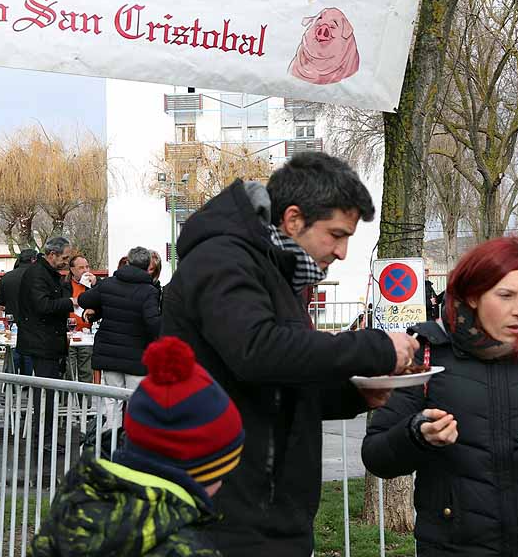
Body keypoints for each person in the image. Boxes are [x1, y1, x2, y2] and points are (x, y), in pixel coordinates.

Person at [161, 152, 418, 555]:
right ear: (294, 219)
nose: (343, 252)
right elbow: (257, 350)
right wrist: (374, 347)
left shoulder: (279, 271)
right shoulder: (222, 259)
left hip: (269, 513)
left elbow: (276, 381)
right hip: (222, 517)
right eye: (336, 235)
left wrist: (352, 394)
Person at [362, 236, 518, 557]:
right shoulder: (428, 352)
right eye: (505, 296)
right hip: (455, 546)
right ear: (473, 295)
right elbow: (377, 456)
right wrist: (418, 435)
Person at [31, 336, 243, 557]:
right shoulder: (187, 546)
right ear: (200, 470)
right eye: (223, 470)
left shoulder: (75, 503)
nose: (222, 483)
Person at [78, 246, 161, 428]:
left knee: (112, 403)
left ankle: (111, 443)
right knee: (136, 404)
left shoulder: (108, 284)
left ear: (128, 262)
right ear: (147, 266)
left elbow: (84, 301)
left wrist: (98, 306)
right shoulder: (149, 291)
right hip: (137, 356)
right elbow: (153, 323)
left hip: (109, 353)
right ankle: (132, 445)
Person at [18, 236, 78, 381]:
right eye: (64, 258)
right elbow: (43, 305)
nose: (66, 263)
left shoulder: (47, 273)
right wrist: (71, 302)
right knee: (46, 385)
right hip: (42, 340)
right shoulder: (38, 274)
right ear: (52, 255)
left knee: (49, 385)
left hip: (47, 338)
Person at [65, 253, 97, 382]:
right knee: (68, 373)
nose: (85, 271)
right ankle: (65, 402)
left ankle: (86, 402)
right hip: (69, 335)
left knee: (86, 372)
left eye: (87, 267)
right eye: (81, 268)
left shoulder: (93, 286)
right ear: (72, 270)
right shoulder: (64, 285)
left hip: (86, 335)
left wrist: (95, 284)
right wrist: (72, 300)